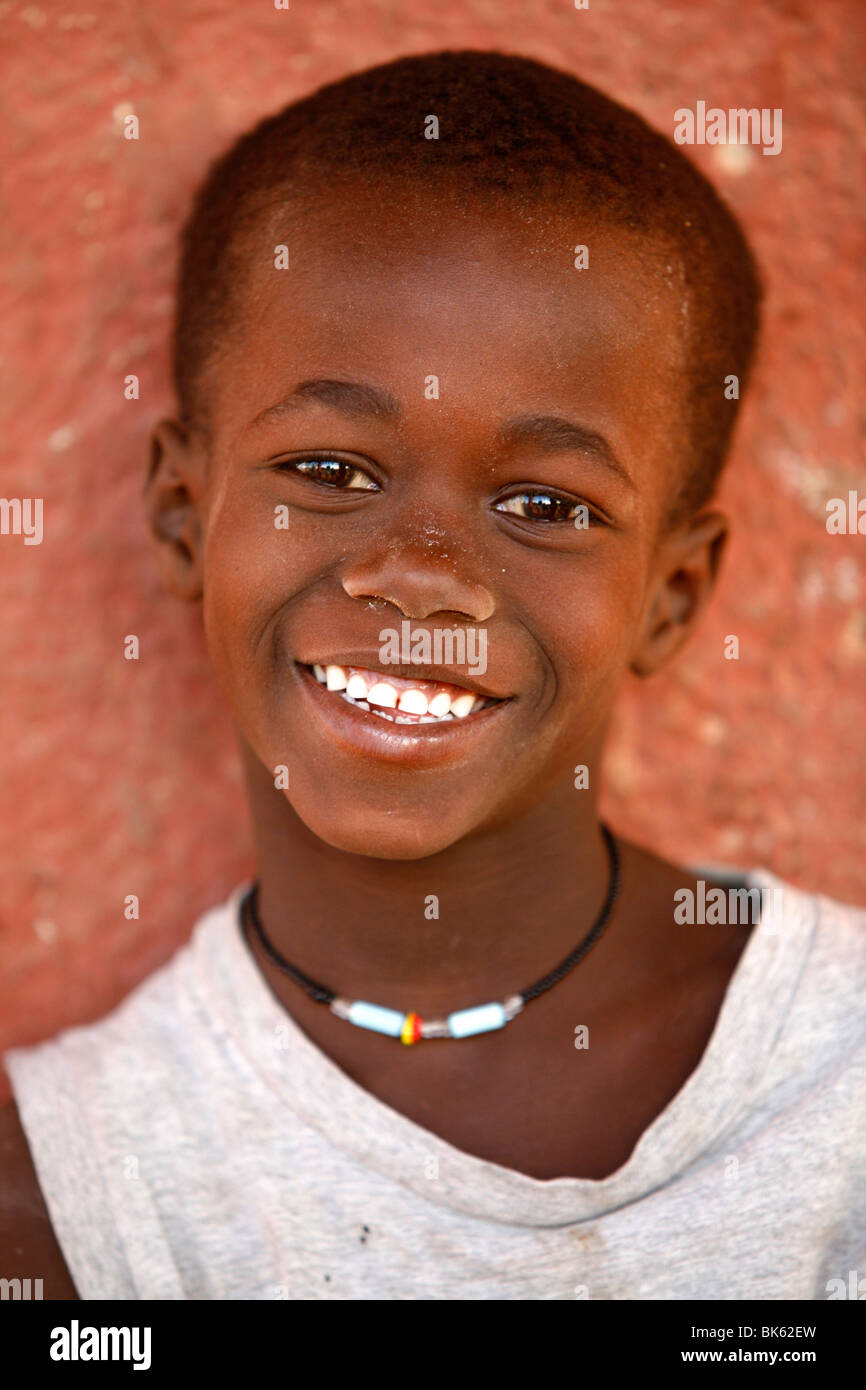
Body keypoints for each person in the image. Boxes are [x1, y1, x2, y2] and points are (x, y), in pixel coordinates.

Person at [2, 50, 864, 1301]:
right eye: (331, 472)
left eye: (541, 503)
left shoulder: (837, 1082)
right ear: (186, 517)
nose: (419, 578)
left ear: (671, 596)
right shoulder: (71, 1206)